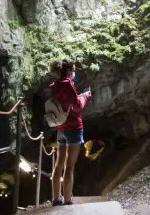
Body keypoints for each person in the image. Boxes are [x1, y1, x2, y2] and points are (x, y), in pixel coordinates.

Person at [51, 59, 91, 206]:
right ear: (68, 71)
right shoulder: (68, 84)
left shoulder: (55, 86)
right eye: (73, 69)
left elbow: (64, 104)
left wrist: (78, 96)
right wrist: (85, 95)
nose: (74, 72)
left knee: (58, 164)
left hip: (60, 128)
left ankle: (56, 198)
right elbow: (77, 106)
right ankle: (67, 199)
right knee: (69, 166)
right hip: (73, 128)